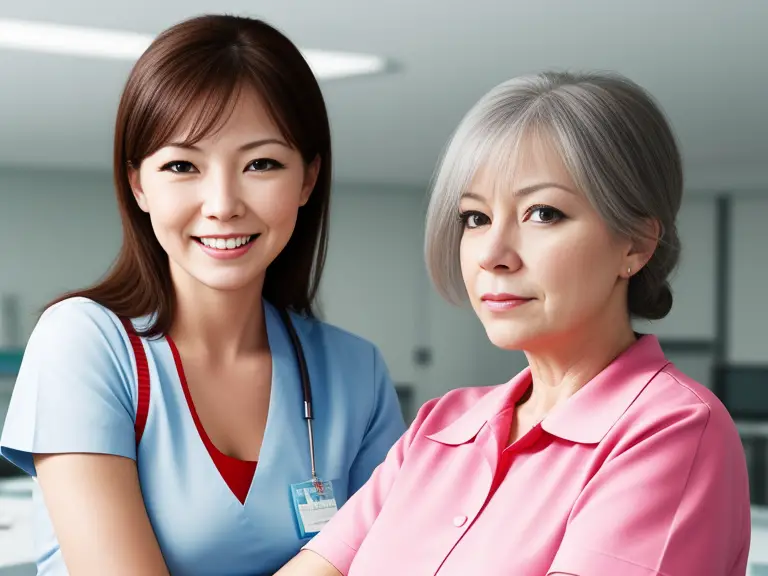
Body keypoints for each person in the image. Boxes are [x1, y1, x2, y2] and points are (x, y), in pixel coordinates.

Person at [275, 71, 752, 575]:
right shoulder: (442, 427)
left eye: (542, 213)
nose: (493, 255)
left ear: (634, 244)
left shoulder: (670, 430)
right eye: (475, 218)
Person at [0, 14, 406, 576]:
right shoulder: (84, 343)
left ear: (308, 179)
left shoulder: (355, 372)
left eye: (261, 163)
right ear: (139, 184)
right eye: (182, 165)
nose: (222, 203)